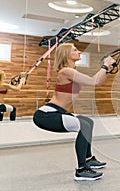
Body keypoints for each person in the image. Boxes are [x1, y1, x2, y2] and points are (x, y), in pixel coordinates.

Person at [33, 43, 115, 181]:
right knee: (82, 126)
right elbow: (94, 81)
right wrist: (105, 65)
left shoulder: (72, 71)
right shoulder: (65, 71)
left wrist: (107, 68)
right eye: (75, 50)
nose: (79, 52)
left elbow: (98, 82)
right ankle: (82, 169)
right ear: (66, 54)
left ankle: (88, 159)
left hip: (58, 112)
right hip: (47, 114)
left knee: (87, 122)